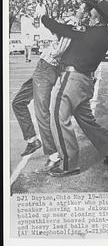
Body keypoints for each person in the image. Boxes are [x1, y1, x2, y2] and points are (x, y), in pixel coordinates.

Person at [40, 0, 108, 177]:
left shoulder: (89, 31)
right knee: (86, 120)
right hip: (85, 81)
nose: (88, 12)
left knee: (58, 118)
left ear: (97, 16)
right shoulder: (106, 33)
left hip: (72, 79)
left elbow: (61, 29)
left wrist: (43, 16)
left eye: (91, 11)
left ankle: (69, 164)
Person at [12, 33, 71, 166]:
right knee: (18, 102)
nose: (77, 10)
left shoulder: (73, 28)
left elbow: (59, 51)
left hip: (48, 68)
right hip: (42, 67)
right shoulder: (70, 25)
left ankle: (53, 154)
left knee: (41, 113)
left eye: (80, 10)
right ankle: (32, 140)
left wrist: (54, 51)